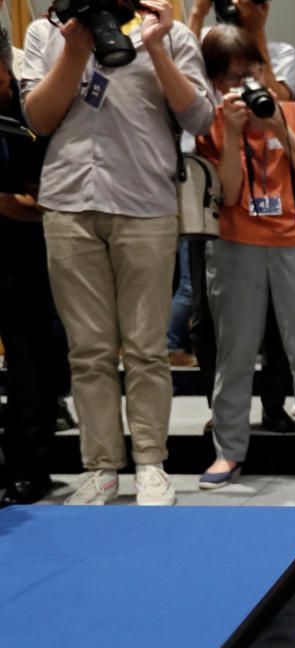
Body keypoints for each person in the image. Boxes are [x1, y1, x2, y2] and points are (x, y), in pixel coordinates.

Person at [22, 0, 214, 505]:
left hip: (145, 202)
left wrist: (154, 46)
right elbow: (38, 118)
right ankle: (102, 467)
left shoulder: (167, 31)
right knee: (88, 351)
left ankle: (151, 461)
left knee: (147, 347)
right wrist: (75, 49)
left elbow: (199, 116)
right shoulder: (49, 31)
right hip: (67, 201)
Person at [195, 25, 295, 489]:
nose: (247, 84)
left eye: (252, 71)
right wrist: (235, 134)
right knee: (235, 354)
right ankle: (229, 451)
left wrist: (278, 126)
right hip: (237, 245)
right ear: (219, 83)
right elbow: (231, 192)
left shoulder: (294, 113)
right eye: (235, 77)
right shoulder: (215, 122)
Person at [0, 26, 61, 504]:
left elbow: (39, 199)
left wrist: (18, 204)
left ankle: (30, 469)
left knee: (30, 363)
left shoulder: (31, 110)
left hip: (29, 253)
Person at [187, 0, 295, 101]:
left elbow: (280, 102)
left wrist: (257, 31)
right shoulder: (202, 41)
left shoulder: (283, 53)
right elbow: (184, 74)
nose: (237, 4)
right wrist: (197, 13)